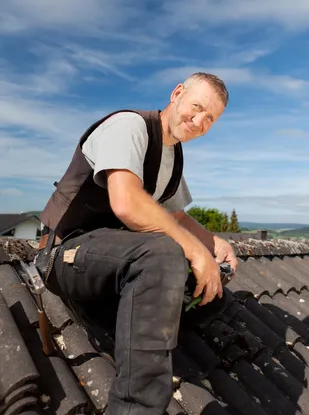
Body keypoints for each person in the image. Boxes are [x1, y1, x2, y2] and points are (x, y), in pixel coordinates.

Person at [37, 72, 238, 415]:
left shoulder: (173, 159)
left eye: (211, 118)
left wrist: (214, 243)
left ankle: (116, 323)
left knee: (212, 293)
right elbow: (127, 202)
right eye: (197, 107)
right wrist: (192, 250)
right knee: (164, 254)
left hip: (111, 263)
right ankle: (136, 407)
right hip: (64, 254)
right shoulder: (128, 127)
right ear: (177, 94)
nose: (200, 121)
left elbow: (176, 218)